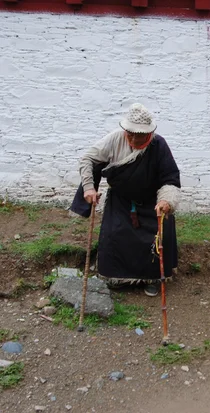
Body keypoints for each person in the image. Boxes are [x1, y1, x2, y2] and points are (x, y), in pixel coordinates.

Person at [70, 103, 181, 297]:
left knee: (156, 239)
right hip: (121, 201)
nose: (133, 138)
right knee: (115, 235)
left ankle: (152, 279)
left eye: (139, 135)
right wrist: (88, 187)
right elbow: (88, 159)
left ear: (149, 133)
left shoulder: (159, 145)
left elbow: (170, 179)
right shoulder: (114, 139)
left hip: (151, 202)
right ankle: (118, 277)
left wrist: (166, 202)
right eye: (130, 134)